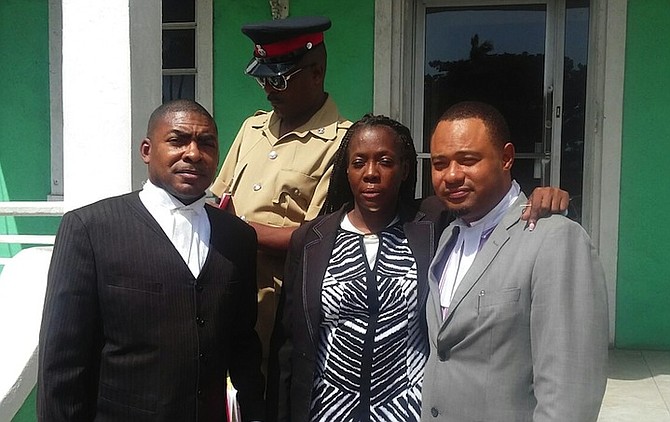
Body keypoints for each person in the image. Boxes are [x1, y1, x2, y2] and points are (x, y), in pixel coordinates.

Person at [38, 100, 265, 421]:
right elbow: (63, 360)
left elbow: (243, 342)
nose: (193, 153)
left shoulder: (237, 237)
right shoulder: (91, 229)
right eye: (177, 140)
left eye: (206, 143)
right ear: (146, 150)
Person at [421, 101, 608, 421]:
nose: (451, 175)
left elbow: (569, 394)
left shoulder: (554, 239)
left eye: (468, 160)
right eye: (440, 163)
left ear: (506, 158)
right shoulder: (448, 236)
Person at [267, 114, 433, 422]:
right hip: (327, 411)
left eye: (385, 161)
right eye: (359, 163)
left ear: (405, 168)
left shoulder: (431, 226)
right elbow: (287, 342)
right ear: (347, 170)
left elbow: (488, 207)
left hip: (409, 411)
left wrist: (543, 199)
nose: (371, 173)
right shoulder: (310, 240)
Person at [209, 16, 351, 368]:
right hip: (225, 293)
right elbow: (220, 198)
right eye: (262, 80)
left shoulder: (344, 143)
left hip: (282, 309)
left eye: (279, 79)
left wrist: (237, 230)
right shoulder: (252, 127)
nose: (270, 90)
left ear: (316, 74)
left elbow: (317, 238)